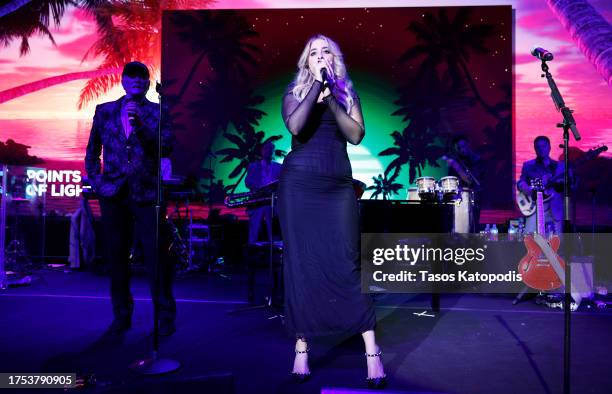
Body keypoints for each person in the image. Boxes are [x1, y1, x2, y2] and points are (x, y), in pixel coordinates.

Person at [277, 34, 386, 388]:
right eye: (313, 53)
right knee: (302, 262)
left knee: (348, 260)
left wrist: (334, 100)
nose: (320, 56)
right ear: (306, 62)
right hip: (299, 186)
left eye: (326, 52)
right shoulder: (292, 94)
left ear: (334, 59)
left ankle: (372, 350)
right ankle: (302, 347)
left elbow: (355, 136)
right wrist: (316, 88)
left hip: (337, 186)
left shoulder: (349, 95)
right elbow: (296, 127)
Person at [85, 61, 176, 336]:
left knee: (155, 256)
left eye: (142, 77)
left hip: (146, 192)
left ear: (148, 84)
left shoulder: (158, 112)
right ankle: (121, 315)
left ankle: (164, 316)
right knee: (116, 256)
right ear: (123, 81)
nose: (136, 81)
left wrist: (141, 128)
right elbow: (92, 151)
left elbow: (166, 147)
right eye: (131, 76)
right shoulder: (105, 111)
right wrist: (97, 181)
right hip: (112, 193)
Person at [517, 135, 570, 235]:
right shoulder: (528, 165)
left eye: (543, 146)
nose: (541, 149)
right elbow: (521, 181)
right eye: (538, 147)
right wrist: (523, 186)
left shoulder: (560, 166)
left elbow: (569, 187)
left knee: (557, 243)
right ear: (535, 149)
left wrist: (562, 183)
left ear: (549, 147)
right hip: (535, 208)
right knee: (529, 239)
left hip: (555, 209)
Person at [245, 141, 282, 243]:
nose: (268, 151)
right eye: (266, 148)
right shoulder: (253, 166)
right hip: (257, 202)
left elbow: (283, 185)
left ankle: (273, 246)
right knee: (255, 230)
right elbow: (248, 182)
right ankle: (253, 248)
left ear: (273, 151)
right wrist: (259, 186)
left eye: (271, 149)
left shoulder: (279, 167)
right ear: (262, 151)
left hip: (273, 202)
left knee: (269, 211)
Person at [445, 134, 484, 231]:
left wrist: (456, 166)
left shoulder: (476, 160)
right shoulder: (455, 161)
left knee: (472, 226)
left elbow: (470, 180)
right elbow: (451, 180)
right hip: (457, 198)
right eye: (458, 148)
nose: (461, 149)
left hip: (473, 197)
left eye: (463, 146)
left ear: (468, 145)